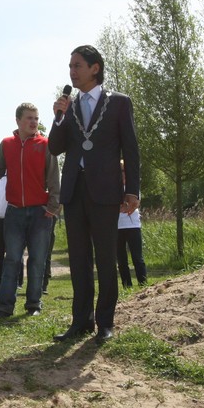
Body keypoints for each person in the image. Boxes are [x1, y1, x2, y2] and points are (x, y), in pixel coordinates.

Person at [49, 45, 141, 343]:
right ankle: (81, 321)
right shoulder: (70, 106)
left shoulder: (119, 103)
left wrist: (132, 190)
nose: (72, 71)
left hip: (106, 191)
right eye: (70, 66)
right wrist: (58, 117)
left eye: (77, 65)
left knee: (105, 257)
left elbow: (131, 148)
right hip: (74, 190)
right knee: (78, 259)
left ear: (95, 68)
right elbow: (55, 148)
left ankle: (105, 323)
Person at [0, 102, 60, 318]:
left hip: (41, 213)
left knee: (37, 260)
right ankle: (4, 307)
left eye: (36, 118)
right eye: (29, 118)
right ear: (18, 120)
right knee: (12, 259)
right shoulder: (7, 144)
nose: (34, 122)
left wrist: (53, 207)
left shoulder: (46, 144)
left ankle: (33, 305)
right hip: (14, 211)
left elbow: (54, 178)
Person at [117, 162, 148, 287]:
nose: (123, 174)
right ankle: (127, 285)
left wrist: (123, 205)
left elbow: (132, 205)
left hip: (133, 226)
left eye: (125, 171)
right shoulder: (113, 188)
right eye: (121, 171)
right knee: (121, 260)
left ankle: (143, 284)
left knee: (137, 257)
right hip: (117, 227)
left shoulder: (133, 189)